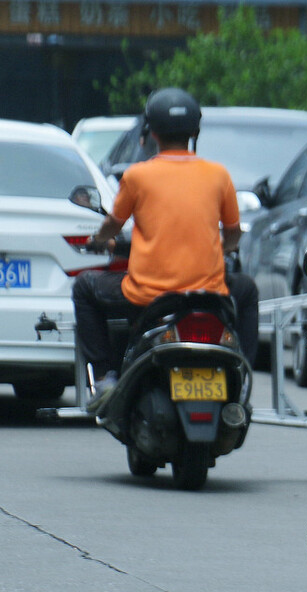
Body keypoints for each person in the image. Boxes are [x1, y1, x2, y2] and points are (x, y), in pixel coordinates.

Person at [72, 87, 259, 409]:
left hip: (146, 296)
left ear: (151, 132)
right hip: (209, 295)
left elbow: (114, 225)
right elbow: (232, 233)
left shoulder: (137, 175)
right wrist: (219, 248)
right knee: (247, 290)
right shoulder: (218, 175)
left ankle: (104, 378)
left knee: (84, 288)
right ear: (195, 132)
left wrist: (100, 241)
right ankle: (241, 369)